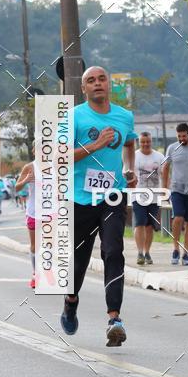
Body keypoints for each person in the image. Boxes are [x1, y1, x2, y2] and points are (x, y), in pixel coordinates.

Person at [60, 66, 136, 347]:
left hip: (112, 196)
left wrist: (130, 169)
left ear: (109, 84)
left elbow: (129, 143)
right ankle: (71, 300)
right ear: (84, 89)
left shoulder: (124, 116)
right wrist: (95, 145)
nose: (97, 84)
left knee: (114, 250)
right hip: (80, 198)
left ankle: (114, 318)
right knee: (79, 260)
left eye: (101, 79)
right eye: (90, 81)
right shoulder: (73, 117)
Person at [161, 123, 188, 266]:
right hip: (176, 188)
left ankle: (185, 253)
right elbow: (165, 168)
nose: (182, 138)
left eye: (184, 136)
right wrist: (164, 188)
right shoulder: (172, 148)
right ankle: (175, 248)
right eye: (179, 136)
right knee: (178, 217)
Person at [133, 131, 164, 265]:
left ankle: (147, 252)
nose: (145, 144)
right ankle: (140, 252)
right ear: (139, 143)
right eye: (143, 142)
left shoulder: (159, 156)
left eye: (148, 142)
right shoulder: (134, 156)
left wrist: (164, 191)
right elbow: (126, 173)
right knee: (140, 223)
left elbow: (164, 174)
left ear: (152, 142)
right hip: (138, 195)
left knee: (149, 226)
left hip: (154, 195)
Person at [15, 159, 37, 287]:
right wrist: (26, 180)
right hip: (33, 212)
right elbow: (17, 188)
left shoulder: (56, 165)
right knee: (35, 246)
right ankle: (35, 273)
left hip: (51, 213)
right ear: (34, 151)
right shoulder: (29, 167)